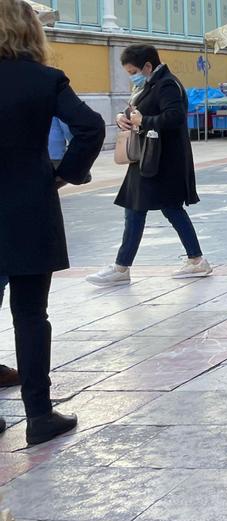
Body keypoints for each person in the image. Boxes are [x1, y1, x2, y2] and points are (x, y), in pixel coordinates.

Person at [0, 0, 105, 443]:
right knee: (30, 314)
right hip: (28, 208)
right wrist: (66, 173)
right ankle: (39, 415)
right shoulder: (45, 80)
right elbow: (90, 127)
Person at [85, 45, 210, 287]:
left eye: (133, 71)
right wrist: (125, 116)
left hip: (161, 160)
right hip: (152, 158)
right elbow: (141, 108)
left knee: (145, 208)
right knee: (153, 208)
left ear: (148, 66)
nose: (132, 76)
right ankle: (194, 259)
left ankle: (123, 267)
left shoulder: (166, 85)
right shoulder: (151, 83)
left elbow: (174, 117)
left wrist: (144, 121)